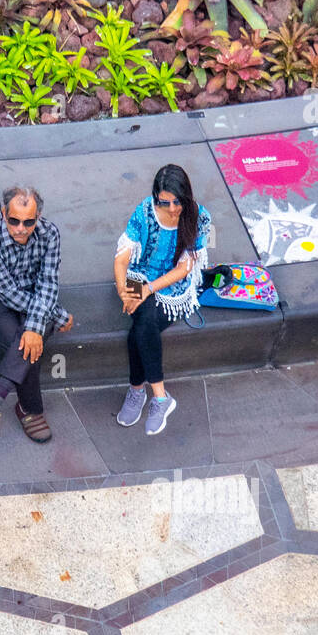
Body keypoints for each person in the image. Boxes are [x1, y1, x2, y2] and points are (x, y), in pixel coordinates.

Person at [0, 185, 73, 443]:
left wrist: (34, 326)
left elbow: (48, 283)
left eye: (29, 221)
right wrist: (54, 315)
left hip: (31, 291)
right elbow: (7, 293)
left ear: (38, 217)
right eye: (14, 220)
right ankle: (30, 409)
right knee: (26, 339)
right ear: (4, 213)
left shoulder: (50, 235)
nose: (20, 228)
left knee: (29, 337)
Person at [114, 164, 211, 436]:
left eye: (177, 201)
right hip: (137, 275)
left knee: (141, 327)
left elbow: (183, 269)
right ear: (155, 197)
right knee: (141, 316)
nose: (171, 208)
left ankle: (142, 391)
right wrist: (124, 290)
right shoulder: (145, 211)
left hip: (172, 284)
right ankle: (158, 398)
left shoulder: (199, 217)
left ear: (186, 197)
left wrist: (148, 290)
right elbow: (122, 257)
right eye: (164, 202)